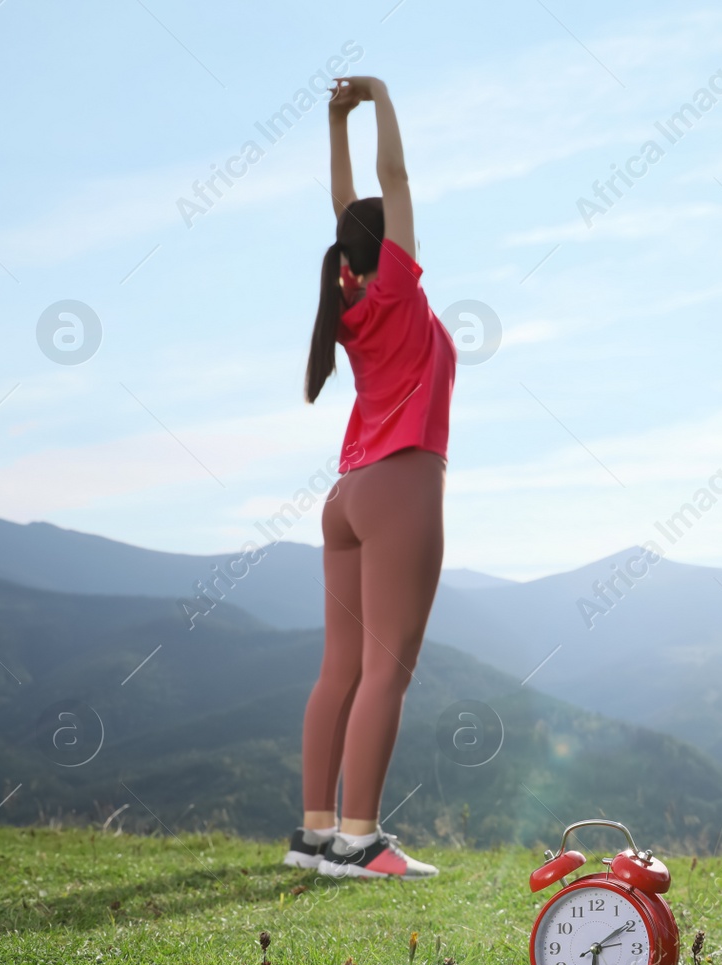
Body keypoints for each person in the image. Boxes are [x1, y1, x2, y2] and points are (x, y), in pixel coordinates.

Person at [282, 75, 454, 879]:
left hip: (345, 497)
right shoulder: (397, 288)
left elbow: (353, 205)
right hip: (400, 486)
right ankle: (360, 840)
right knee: (387, 669)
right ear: (388, 252)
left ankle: (314, 834)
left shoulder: (347, 303)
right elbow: (394, 184)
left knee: (339, 670)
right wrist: (381, 96)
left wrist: (332, 120)